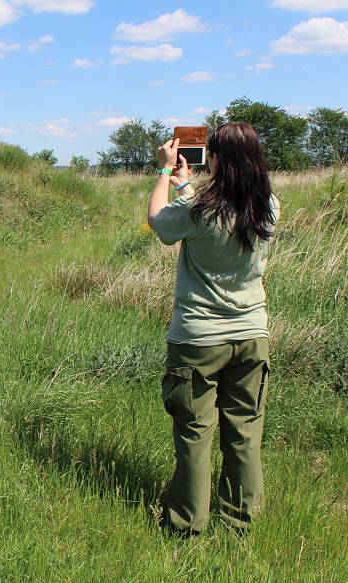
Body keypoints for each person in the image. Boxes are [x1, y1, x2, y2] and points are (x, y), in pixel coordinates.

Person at [147, 123, 280, 535]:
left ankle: (188, 523)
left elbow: (158, 221)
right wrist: (189, 185)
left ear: (219, 159)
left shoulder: (201, 209)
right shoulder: (268, 205)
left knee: (194, 432)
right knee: (244, 430)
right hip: (251, 335)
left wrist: (166, 173)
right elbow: (217, 216)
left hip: (198, 339)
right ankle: (241, 519)